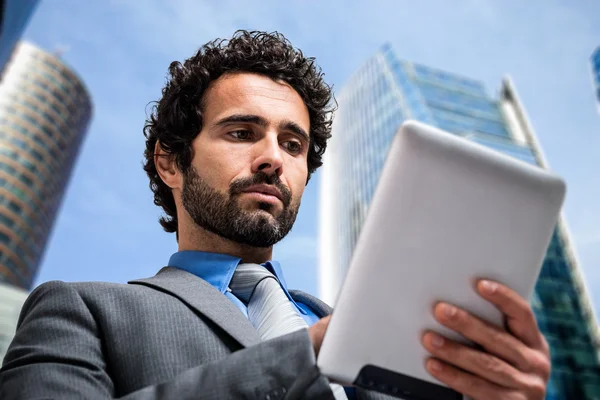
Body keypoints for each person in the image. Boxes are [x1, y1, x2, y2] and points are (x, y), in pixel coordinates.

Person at [0, 30, 550, 400]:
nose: (273, 158)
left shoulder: (382, 329)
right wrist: (302, 358)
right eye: (242, 132)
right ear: (170, 162)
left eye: (294, 145)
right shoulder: (81, 310)